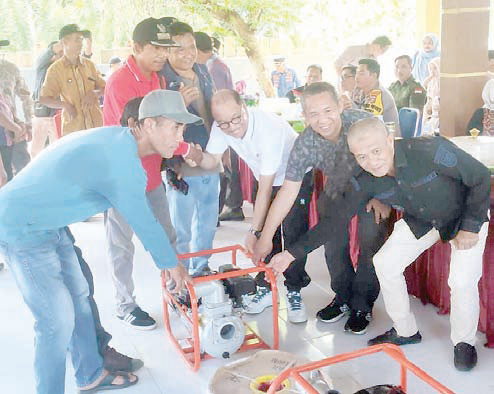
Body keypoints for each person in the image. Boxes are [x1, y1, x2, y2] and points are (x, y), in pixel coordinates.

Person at [0, 89, 195, 394]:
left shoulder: (118, 142)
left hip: (51, 224)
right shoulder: (121, 161)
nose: (179, 137)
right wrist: (172, 265)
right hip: (22, 226)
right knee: (56, 321)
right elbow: (142, 220)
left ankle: (90, 373)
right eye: (175, 127)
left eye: (183, 129)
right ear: (148, 125)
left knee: (79, 295)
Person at [268, 117, 490, 371]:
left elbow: (479, 176)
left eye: (376, 151)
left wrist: (471, 227)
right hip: (423, 219)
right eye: (362, 156)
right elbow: (334, 222)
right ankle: (405, 330)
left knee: (461, 281)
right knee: (385, 263)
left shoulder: (429, 149)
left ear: (389, 139)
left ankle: (464, 343)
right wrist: (290, 254)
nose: (372, 161)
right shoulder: (364, 179)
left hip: (465, 214)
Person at [252, 82, 390, 334]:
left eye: (328, 110)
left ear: (340, 105)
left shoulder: (362, 122)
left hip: (373, 191)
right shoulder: (305, 143)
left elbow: (389, 155)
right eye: (313, 114)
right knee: (332, 244)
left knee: (370, 238)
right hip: (337, 191)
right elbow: (288, 191)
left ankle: (362, 304)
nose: (322, 120)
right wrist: (265, 236)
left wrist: (382, 194)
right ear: (304, 115)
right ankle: (343, 297)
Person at [192, 89, 314, 323]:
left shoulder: (267, 129)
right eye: (225, 123)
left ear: (245, 107)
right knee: (267, 239)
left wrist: (255, 232)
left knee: (291, 232)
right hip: (265, 176)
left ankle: (294, 290)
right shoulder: (222, 126)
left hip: (294, 176)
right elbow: (211, 160)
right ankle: (266, 286)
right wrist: (196, 156)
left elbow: (267, 190)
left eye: (236, 118)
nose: (233, 127)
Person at [103, 17, 179, 329]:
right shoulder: (120, 81)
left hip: (151, 174)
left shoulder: (157, 79)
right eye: (155, 48)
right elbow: (135, 132)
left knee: (166, 236)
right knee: (121, 244)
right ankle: (125, 304)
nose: (162, 54)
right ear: (136, 47)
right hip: (122, 179)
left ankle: (175, 290)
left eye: (165, 48)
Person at [161, 21, 219, 277]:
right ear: (168, 52)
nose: (187, 54)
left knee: (207, 220)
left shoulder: (202, 70)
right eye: (179, 48)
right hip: (182, 162)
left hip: (210, 154)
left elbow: (213, 109)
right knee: (180, 225)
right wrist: (180, 105)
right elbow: (160, 125)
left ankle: (201, 266)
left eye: (191, 47)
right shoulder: (163, 79)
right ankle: (179, 273)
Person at [194, 31, 244, 222]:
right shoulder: (212, 66)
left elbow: (221, 103)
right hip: (221, 131)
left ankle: (227, 207)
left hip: (224, 130)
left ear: (197, 49)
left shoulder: (213, 68)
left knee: (225, 172)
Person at [40, 24, 106, 135]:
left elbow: (106, 88)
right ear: (64, 42)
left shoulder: (89, 65)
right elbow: (44, 99)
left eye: (81, 40)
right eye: (76, 40)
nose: (80, 44)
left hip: (96, 127)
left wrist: (95, 93)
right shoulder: (55, 70)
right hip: (73, 130)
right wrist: (65, 105)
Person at [0, 40, 33, 179]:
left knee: (24, 172)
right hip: (9, 127)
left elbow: (26, 97)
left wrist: (28, 123)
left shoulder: (10, 69)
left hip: (14, 129)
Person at [31, 40, 63, 157]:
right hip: (42, 115)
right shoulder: (42, 67)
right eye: (59, 53)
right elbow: (48, 54)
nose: (62, 56)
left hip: (57, 115)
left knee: (57, 150)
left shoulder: (62, 69)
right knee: (37, 151)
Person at [353, 58, 400, 135]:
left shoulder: (379, 95)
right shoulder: (360, 91)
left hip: (387, 141)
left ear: (374, 76)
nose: (356, 77)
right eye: (356, 73)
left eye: (361, 73)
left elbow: (367, 123)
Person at [422, 57, 440, 135]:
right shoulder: (431, 80)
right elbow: (424, 85)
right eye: (431, 69)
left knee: (433, 125)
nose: (432, 71)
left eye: (435, 68)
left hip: (437, 107)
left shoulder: (442, 81)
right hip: (429, 105)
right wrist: (430, 76)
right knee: (425, 125)